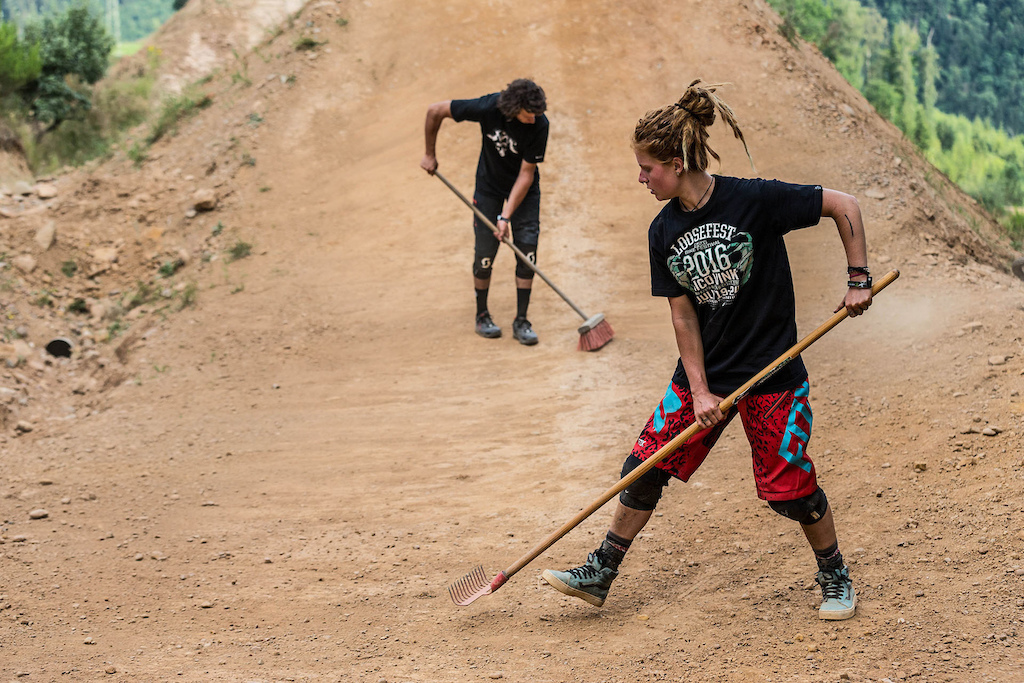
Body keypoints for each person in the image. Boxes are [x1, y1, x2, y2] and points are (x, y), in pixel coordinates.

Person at [541, 79, 873, 621]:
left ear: (675, 162)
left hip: (772, 375)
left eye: (647, 168)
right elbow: (682, 314)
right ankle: (602, 570)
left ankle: (834, 574)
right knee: (644, 465)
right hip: (706, 375)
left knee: (790, 490)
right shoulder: (663, 230)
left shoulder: (755, 199)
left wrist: (858, 278)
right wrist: (698, 390)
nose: (641, 178)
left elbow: (844, 204)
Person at [421, 78, 549, 345]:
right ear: (514, 108)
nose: (533, 120)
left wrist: (506, 217)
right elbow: (435, 110)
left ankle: (521, 321)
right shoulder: (489, 107)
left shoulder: (540, 125)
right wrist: (429, 154)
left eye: (537, 115)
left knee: (527, 252)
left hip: (524, 192)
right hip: (488, 189)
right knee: (485, 254)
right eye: (528, 115)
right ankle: (482, 315)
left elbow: (526, 175)